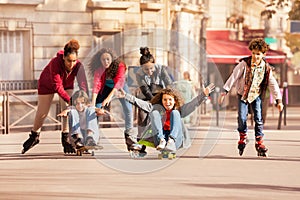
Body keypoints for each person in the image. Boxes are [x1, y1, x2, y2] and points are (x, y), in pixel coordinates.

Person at [218, 38, 284, 157]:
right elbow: (233, 77)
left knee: (258, 119)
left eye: (258, 54)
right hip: (242, 95)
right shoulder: (244, 64)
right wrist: (224, 92)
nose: (255, 56)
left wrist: (278, 100)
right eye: (253, 53)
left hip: (256, 95)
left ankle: (259, 142)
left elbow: (273, 84)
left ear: (263, 54)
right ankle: (243, 137)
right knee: (242, 117)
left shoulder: (266, 69)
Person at [22, 39, 89, 154]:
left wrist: (85, 101)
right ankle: (34, 136)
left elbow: (83, 85)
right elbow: (58, 87)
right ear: (64, 57)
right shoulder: (55, 63)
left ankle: (66, 138)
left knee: (66, 107)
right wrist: (73, 102)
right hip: (47, 84)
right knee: (42, 113)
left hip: (67, 85)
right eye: (69, 61)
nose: (71, 64)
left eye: (74, 61)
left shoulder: (78, 66)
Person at [119, 83, 215, 153]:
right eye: (165, 100)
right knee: (154, 113)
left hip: (176, 140)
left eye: (170, 100)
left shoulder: (179, 110)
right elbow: (143, 104)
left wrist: (203, 95)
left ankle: (171, 141)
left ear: (174, 101)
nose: (167, 102)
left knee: (175, 113)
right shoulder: (158, 108)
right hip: (159, 140)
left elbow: (192, 104)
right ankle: (162, 140)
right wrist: (127, 96)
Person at [88, 48, 137, 151]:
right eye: (103, 60)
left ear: (112, 59)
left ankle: (130, 137)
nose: (106, 62)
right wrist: (93, 102)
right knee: (95, 109)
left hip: (120, 87)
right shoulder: (99, 69)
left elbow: (119, 82)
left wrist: (109, 98)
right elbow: (97, 85)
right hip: (106, 87)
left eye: (108, 59)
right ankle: (92, 137)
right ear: (99, 61)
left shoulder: (120, 66)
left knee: (128, 109)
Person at [135, 47, 173, 137]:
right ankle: (141, 138)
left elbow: (169, 84)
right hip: (147, 96)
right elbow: (145, 90)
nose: (149, 71)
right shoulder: (139, 74)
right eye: (146, 69)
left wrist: (166, 98)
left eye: (151, 68)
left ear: (154, 64)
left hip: (162, 95)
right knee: (142, 114)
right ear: (141, 68)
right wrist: (153, 102)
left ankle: (166, 136)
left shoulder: (161, 69)